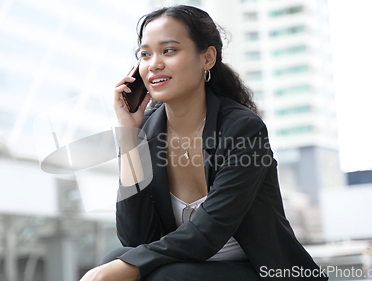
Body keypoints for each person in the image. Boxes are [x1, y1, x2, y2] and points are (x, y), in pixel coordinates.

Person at [80, 5, 328, 281]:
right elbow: (135, 236)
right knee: (112, 259)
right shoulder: (147, 131)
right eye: (145, 54)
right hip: (188, 268)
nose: (154, 64)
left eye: (169, 50)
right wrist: (128, 136)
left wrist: (128, 266)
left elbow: (208, 233)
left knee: (162, 275)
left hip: (259, 270)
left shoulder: (243, 129)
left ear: (208, 57)